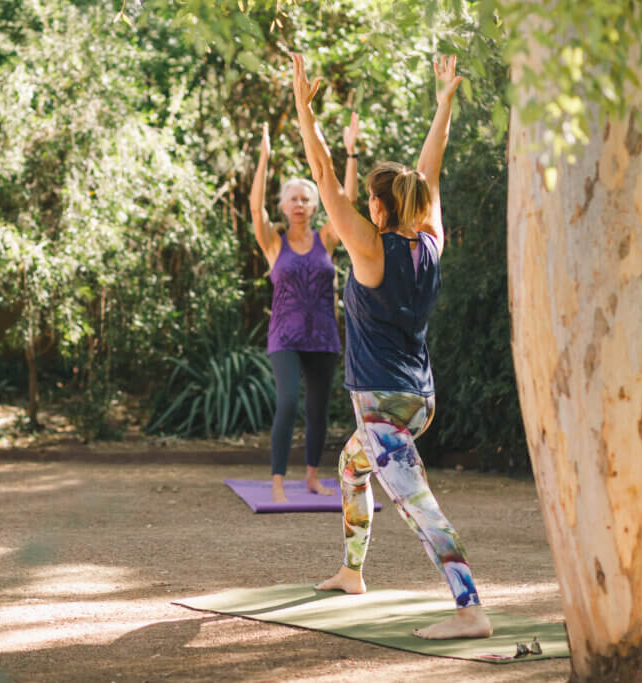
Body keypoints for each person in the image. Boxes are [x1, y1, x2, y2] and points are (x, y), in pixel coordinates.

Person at [290, 52, 492, 639]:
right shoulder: (430, 240)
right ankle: (352, 574)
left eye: (369, 203)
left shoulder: (371, 250)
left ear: (377, 206)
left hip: (381, 406)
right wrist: (443, 104)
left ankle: (469, 608)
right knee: (351, 469)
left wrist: (306, 113)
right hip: (418, 400)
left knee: (418, 507)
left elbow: (323, 176)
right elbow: (431, 173)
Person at [250, 115, 359, 504]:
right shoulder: (273, 243)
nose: (299, 203)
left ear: (314, 205)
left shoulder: (326, 239)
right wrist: (264, 158)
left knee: (317, 410)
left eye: (305, 198)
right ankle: (278, 481)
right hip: (285, 336)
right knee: (288, 402)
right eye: (292, 198)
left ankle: (312, 477)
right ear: (282, 205)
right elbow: (253, 206)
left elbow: (346, 200)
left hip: (324, 335)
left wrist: (350, 152)